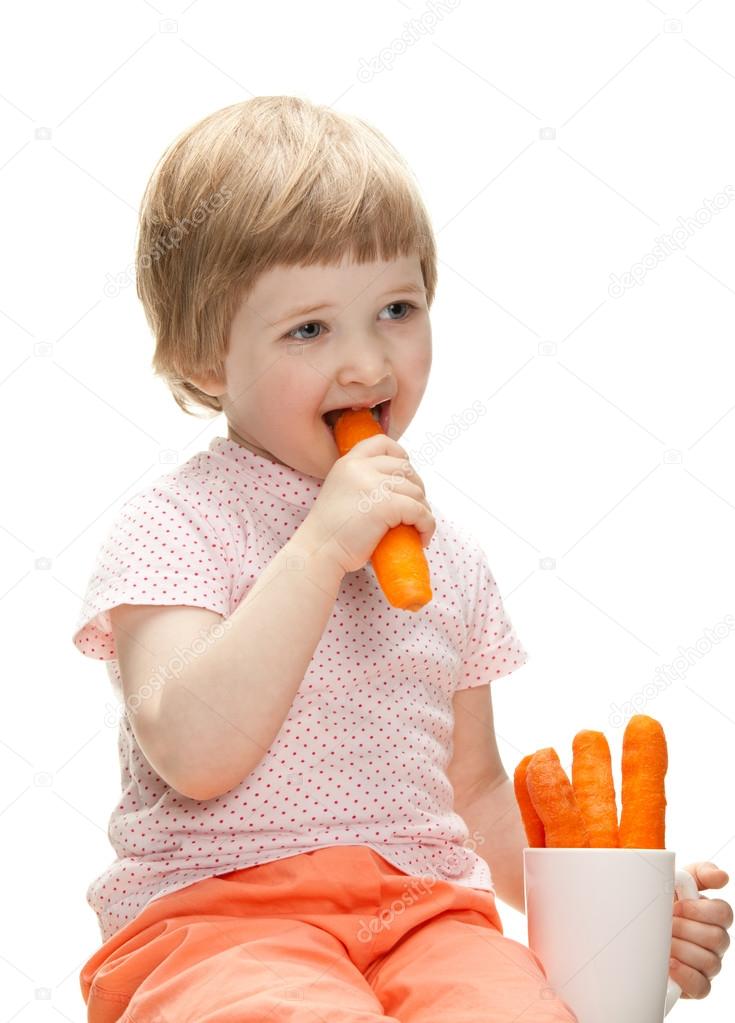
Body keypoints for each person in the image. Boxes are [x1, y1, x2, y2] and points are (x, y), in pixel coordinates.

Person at [73, 95, 731, 1022]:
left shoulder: (446, 555)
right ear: (207, 359)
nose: (366, 364)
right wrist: (319, 548)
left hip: (428, 918)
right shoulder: (177, 524)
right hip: (222, 920)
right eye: (309, 329)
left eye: (395, 309)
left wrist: (616, 914)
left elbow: (475, 790)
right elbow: (192, 749)